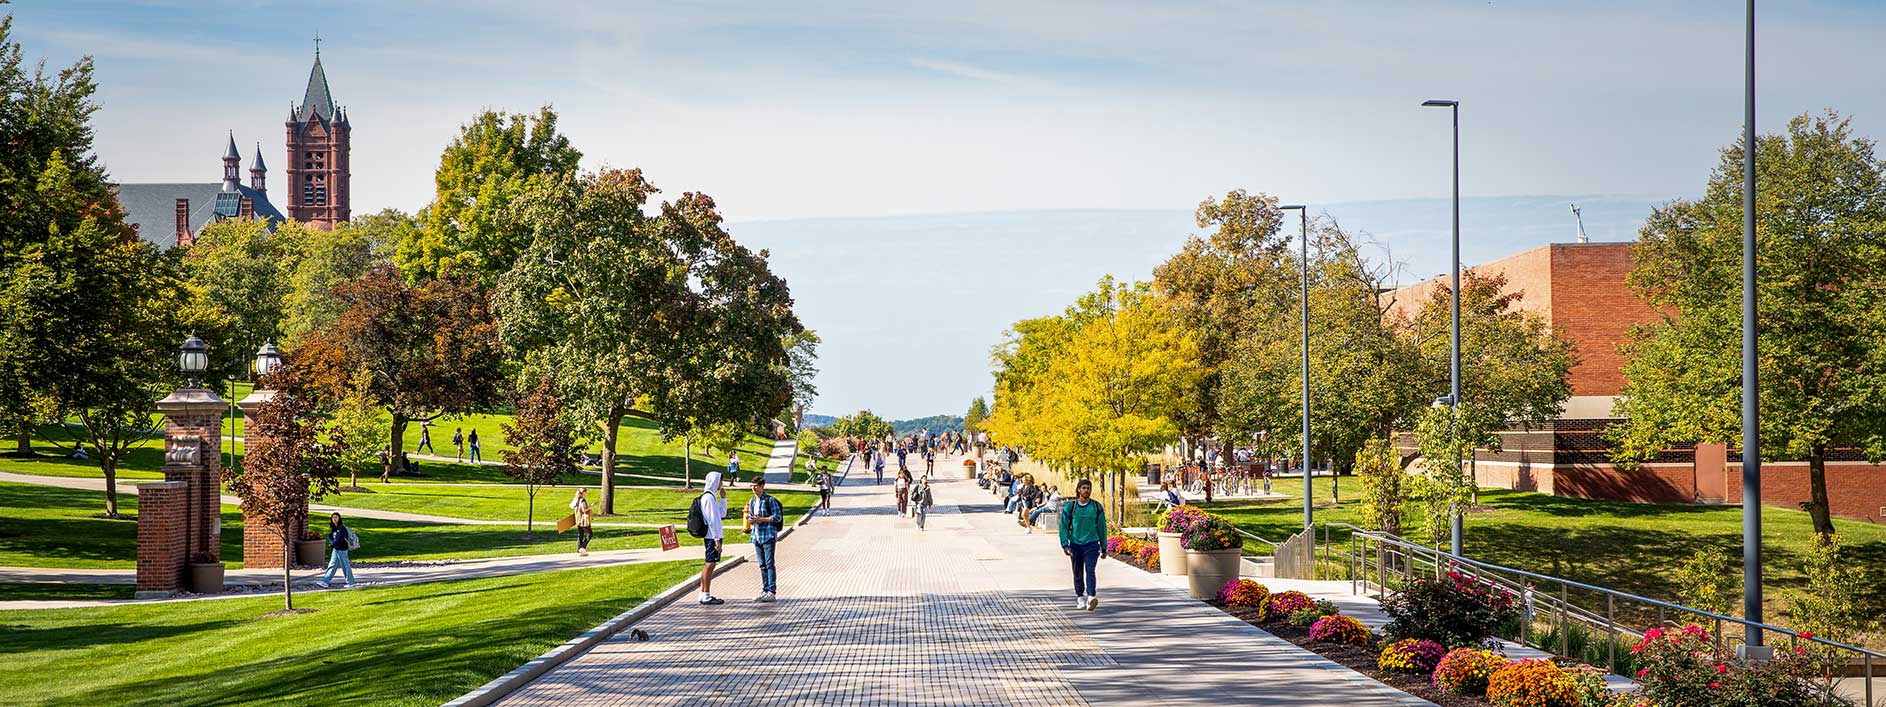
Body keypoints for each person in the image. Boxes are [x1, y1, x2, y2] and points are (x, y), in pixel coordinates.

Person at [1058, 478, 1106, 611]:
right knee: (1077, 572)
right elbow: (1063, 527)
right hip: (1075, 544)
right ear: (1079, 489)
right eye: (1084, 488)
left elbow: (1102, 527)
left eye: (1088, 488)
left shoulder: (1096, 507)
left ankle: (1091, 596)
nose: (1086, 490)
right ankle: (1080, 597)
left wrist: (1104, 547)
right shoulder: (1071, 507)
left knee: (1090, 570)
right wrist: (1064, 544)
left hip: (1091, 544)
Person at [745, 476, 784, 602]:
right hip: (756, 536)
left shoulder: (770, 500)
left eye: (756, 486)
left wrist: (761, 519)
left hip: (768, 535)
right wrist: (751, 520)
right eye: (752, 486)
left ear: (762, 486)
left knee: (769, 564)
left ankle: (771, 591)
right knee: (762, 565)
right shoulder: (752, 501)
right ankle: (765, 589)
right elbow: (751, 517)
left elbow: (777, 517)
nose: (754, 489)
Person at [697, 472, 728, 604]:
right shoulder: (708, 498)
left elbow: (722, 513)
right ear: (715, 481)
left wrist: (723, 499)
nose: (721, 484)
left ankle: (703, 592)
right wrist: (716, 540)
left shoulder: (712, 497)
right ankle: (705, 594)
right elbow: (712, 520)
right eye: (720, 481)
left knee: (709, 564)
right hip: (712, 536)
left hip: (713, 535)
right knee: (710, 564)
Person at [315, 512, 356, 588]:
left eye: (336, 517)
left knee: (345, 566)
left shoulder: (342, 528)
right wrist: (332, 541)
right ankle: (325, 582)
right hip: (336, 550)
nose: (335, 519)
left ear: (339, 518)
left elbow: (340, 539)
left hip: (342, 550)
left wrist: (333, 544)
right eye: (333, 517)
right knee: (332, 565)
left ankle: (351, 582)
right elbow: (332, 537)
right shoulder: (334, 528)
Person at [570, 488, 593, 556]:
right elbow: (584, 510)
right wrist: (591, 506)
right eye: (586, 492)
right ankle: (582, 547)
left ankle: (579, 550)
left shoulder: (577, 500)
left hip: (578, 519)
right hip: (583, 520)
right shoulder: (582, 500)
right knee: (590, 534)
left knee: (580, 534)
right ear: (584, 493)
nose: (587, 493)